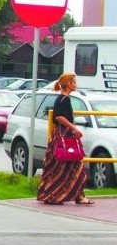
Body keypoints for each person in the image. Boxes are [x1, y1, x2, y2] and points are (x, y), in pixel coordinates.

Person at [37, 73, 94, 205]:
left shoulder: (59, 99)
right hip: (65, 137)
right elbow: (59, 117)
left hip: (59, 136)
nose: (76, 85)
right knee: (76, 166)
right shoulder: (65, 100)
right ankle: (74, 196)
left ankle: (55, 194)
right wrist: (74, 128)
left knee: (60, 167)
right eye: (74, 82)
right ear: (69, 84)